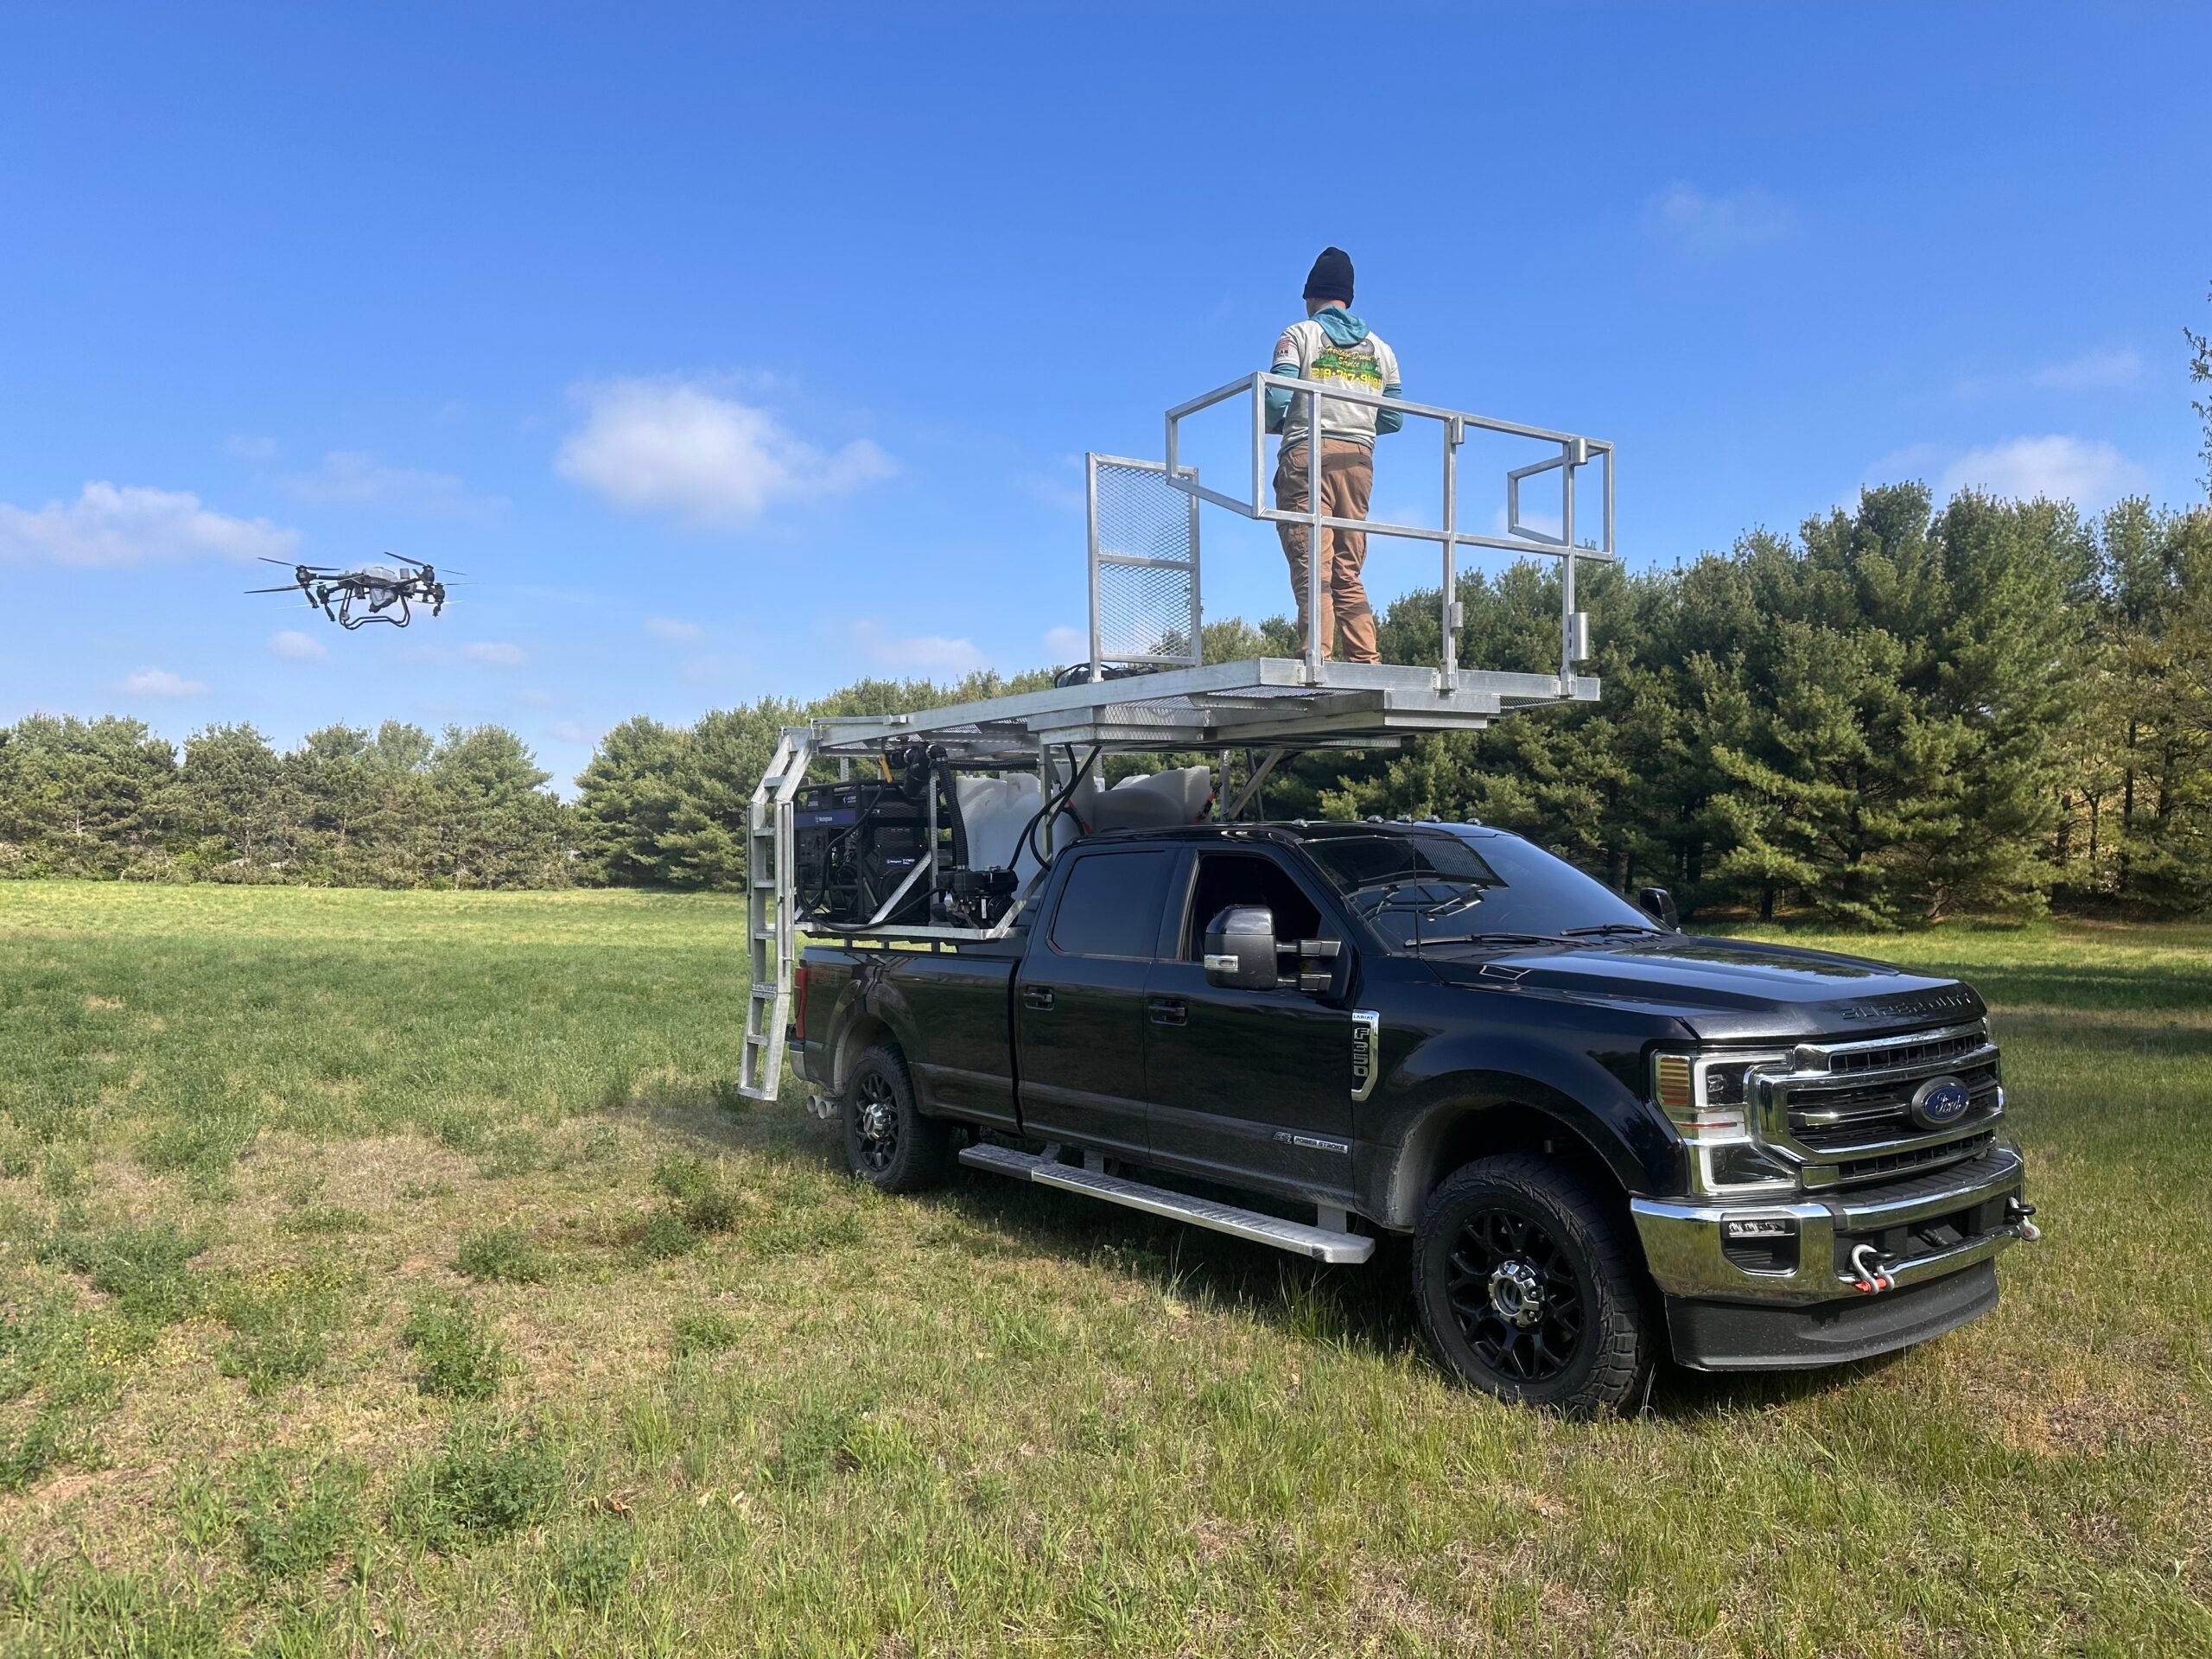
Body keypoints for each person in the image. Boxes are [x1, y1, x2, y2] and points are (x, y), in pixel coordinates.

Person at [1265, 246, 1402, 665]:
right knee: (1347, 567)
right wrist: (1355, 423)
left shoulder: (1299, 335)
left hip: (1308, 455)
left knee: (1313, 564)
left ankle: (1315, 659)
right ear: (1349, 298)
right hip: (1359, 460)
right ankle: (1366, 659)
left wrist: (1276, 423)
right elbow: (1393, 418)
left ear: (1311, 297)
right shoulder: (1382, 349)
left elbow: (1277, 396)